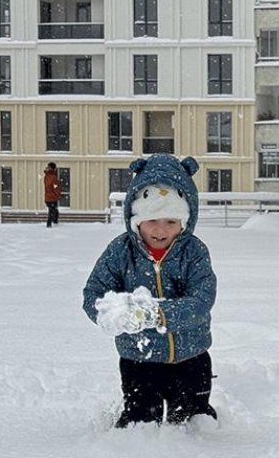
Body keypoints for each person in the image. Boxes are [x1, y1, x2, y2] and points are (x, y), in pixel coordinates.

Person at [82, 154, 218, 428]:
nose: (160, 230)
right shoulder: (120, 252)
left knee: (194, 418)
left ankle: (200, 449)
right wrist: (114, 313)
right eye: (152, 220)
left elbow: (202, 299)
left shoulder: (194, 252)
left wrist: (159, 315)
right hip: (138, 357)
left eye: (171, 221)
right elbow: (94, 294)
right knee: (141, 417)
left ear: (185, 220)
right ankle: (137, 451)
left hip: (190, 355)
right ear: (135, 219)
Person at [43, 162, 62, 228]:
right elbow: (55, 187)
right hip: (53, 197)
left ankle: (53, 223)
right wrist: (58, 195)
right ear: (54, 168)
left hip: (47, 197)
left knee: (52, 210)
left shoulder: (46, 176)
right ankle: (51, 224)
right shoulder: (53, 177)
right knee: (53, 211)